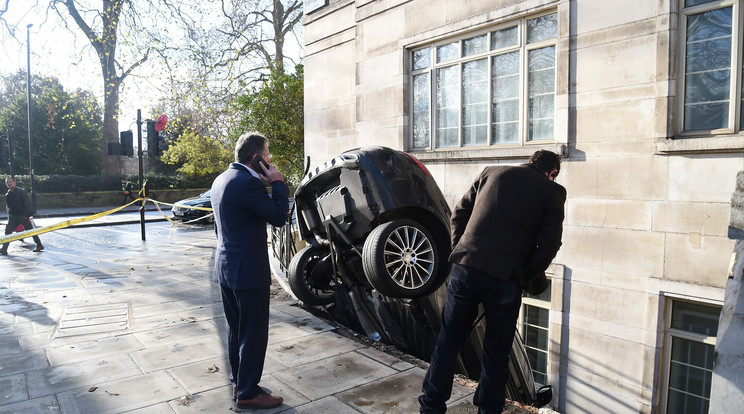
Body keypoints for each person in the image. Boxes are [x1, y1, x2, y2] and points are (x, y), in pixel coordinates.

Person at [419, 150, 566, 414]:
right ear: (551, 173)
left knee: (448, 340)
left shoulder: (491, 172)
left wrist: (461, 250)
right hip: (505, 277)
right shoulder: (552, 192)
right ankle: (487, 410)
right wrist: (521, 275)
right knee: (496, 354)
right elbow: (549, 246)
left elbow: (459, 214)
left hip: (466, 266)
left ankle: (431, 406)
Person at [210, 132, 289, 410]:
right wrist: (278, 183)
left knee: (237, 330)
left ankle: (239, 382)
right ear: (256, 159)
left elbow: (220, 228)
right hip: (248, 271)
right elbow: (279, 217)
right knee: (254, 333)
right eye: (267, 157)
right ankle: (248, 392)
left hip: (226, 268)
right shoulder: (247, 184)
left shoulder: (221, 180)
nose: (270, 161)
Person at [2, 177, 44, 255]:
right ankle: (4, 249)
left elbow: (27, 204)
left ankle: (39, 245)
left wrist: (25, 215)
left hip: (22, 216)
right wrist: (9, 211)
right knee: (7, 232)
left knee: (30, 231)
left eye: (10, 182)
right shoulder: (8, 193)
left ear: (15, 182)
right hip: (13, 216)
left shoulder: (21, 192)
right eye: (7, 182)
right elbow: (8, 205)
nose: (9, 183)